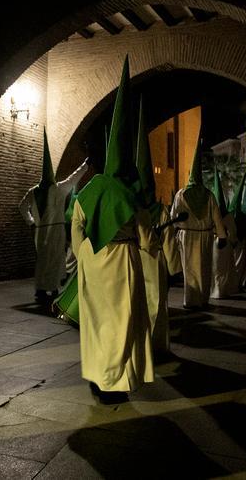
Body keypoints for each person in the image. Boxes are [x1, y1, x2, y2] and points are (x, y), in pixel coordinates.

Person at [71, 56, 155, 404]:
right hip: (123, 263)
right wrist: (151, 249)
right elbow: (146, 233)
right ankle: (114, 381)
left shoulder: (89, 189)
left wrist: (83, 254)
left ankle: (96, 374)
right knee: (121, 324)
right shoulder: (130, 194)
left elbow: (76, 224)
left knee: (96, 321)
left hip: (93, 260)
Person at [19, 130, 89, 306]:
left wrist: (31, 221)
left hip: (40, 232)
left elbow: (21, 207)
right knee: (56, 258)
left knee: (43, 260)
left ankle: (41, 290)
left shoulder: (33, 191)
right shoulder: (57, 189)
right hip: (56, 230)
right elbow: (74, 178)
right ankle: (53, 288)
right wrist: (87, 163)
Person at [133, 97, 170, 354]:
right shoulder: (158, 210)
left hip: (131, 259)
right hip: (151, 257)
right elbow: (163, 237)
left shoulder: (128, 204)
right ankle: (153, 344)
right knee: (153, 300)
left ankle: (142, 344)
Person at [171, 143, 226, 309]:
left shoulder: (181, 194)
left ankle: (190, 300)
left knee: (190, 270)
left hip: (186, 237)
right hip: (205, 236)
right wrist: (221, 235)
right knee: (204, 268)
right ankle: (203, 299)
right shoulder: (208, 195)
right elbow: (216, 216)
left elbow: (174, 216)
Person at [210, 166, 239, 299]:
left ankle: (215, 291)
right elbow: (232, 232)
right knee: (223, 269)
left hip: (213, 244)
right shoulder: (228, 217)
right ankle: (221, 290)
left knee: (215, 269)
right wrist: (233, 241)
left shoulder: (210, 214)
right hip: (225, 244)